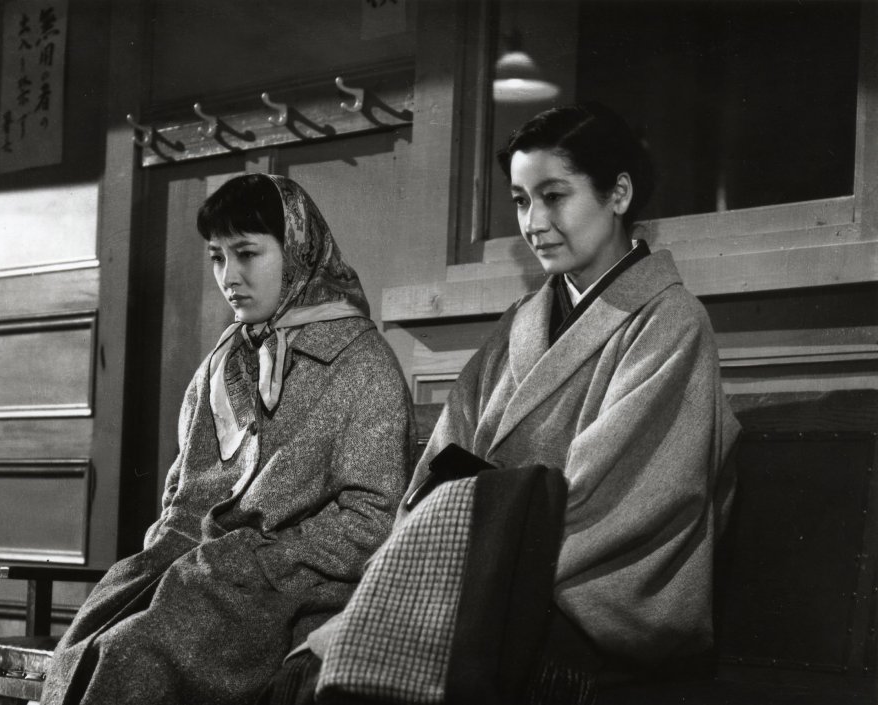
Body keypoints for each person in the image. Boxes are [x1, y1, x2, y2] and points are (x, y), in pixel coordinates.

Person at [262, 103, 741, 704]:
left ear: (619, 193)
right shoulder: (523, 322)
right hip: (490, 570)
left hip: (592, 599)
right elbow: (441, 464)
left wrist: (452, 574)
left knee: (357, 672)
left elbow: (617, 503)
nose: (534, 222)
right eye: (520, 200)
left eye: (554, 195)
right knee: (306, 669)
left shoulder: (671, 322)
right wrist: (411, 571)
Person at [40, 174, 415, 705]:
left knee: (133, 654)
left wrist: (256, 557)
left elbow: (373, 518)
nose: (229, 277)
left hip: (288, 584)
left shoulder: (362, 362)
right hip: (195, 571)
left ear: (298, 253)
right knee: (88, 642)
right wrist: (166, 556)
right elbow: (180, 494)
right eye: (217, 257)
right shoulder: (224, 360)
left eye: (247, 253)